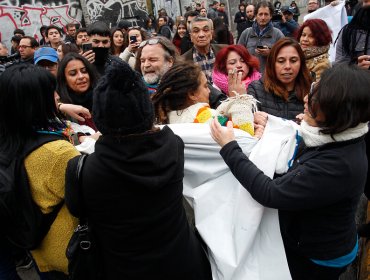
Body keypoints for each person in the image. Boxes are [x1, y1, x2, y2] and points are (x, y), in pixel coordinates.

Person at [211, 63, 370, 280]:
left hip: (318, 257)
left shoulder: (337, 166)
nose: (306, 99)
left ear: (337, 114)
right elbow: (298, 135)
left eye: (315, 98)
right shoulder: (340, 134)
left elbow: (270, 193)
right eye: (314, 88)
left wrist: (229, 148)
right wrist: (270, 123)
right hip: (316, 235)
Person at [65, 59, 213, 280]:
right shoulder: (173, 146)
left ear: (101, 116)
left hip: (123, 270)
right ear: (145, 110)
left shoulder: (83, 169)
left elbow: (77, 210)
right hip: (183, 264)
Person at [0, 63, 80, 279]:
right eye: (51, 92)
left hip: (37, 249)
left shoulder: (10, 135)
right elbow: (88, 198)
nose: (57, 96)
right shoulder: (57, 153)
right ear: (38, 101)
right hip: (68, 254)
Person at [152, 60, 260, 136]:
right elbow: (244, 134)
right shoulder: (203, 116)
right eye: (205, 86)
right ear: (192, 94)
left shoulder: (167, 117)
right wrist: (239, 99)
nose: (209, 91)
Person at [248, 37, 311, 120]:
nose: (287, 66)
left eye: (293, 60)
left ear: (301, 63)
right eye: (281, 61)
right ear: (272, 63)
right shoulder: (256, 89)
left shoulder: (312, 91)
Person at [238, 1, 284, 74]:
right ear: (256, 15)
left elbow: (284, 57)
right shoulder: (246, 34)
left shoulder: (278, 34)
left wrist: (271, 53)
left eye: (266, 14)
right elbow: (238, 55)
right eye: (260, 14)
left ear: (271, 16)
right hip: (249, 80)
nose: (263, 17)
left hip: (270, 79)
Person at [56, 52, 98, 130]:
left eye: (84, 71)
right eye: (73, 73)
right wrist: (60, 107)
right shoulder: (60, 106)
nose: (81, 76)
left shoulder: (104, 97)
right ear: (64, 80)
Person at [182, 16, 228, 83]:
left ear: (211, 34)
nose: (201, 35)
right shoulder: (183, 62)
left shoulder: (225, 51)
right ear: (191, 36)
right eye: (196, 31)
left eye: (205, 30)